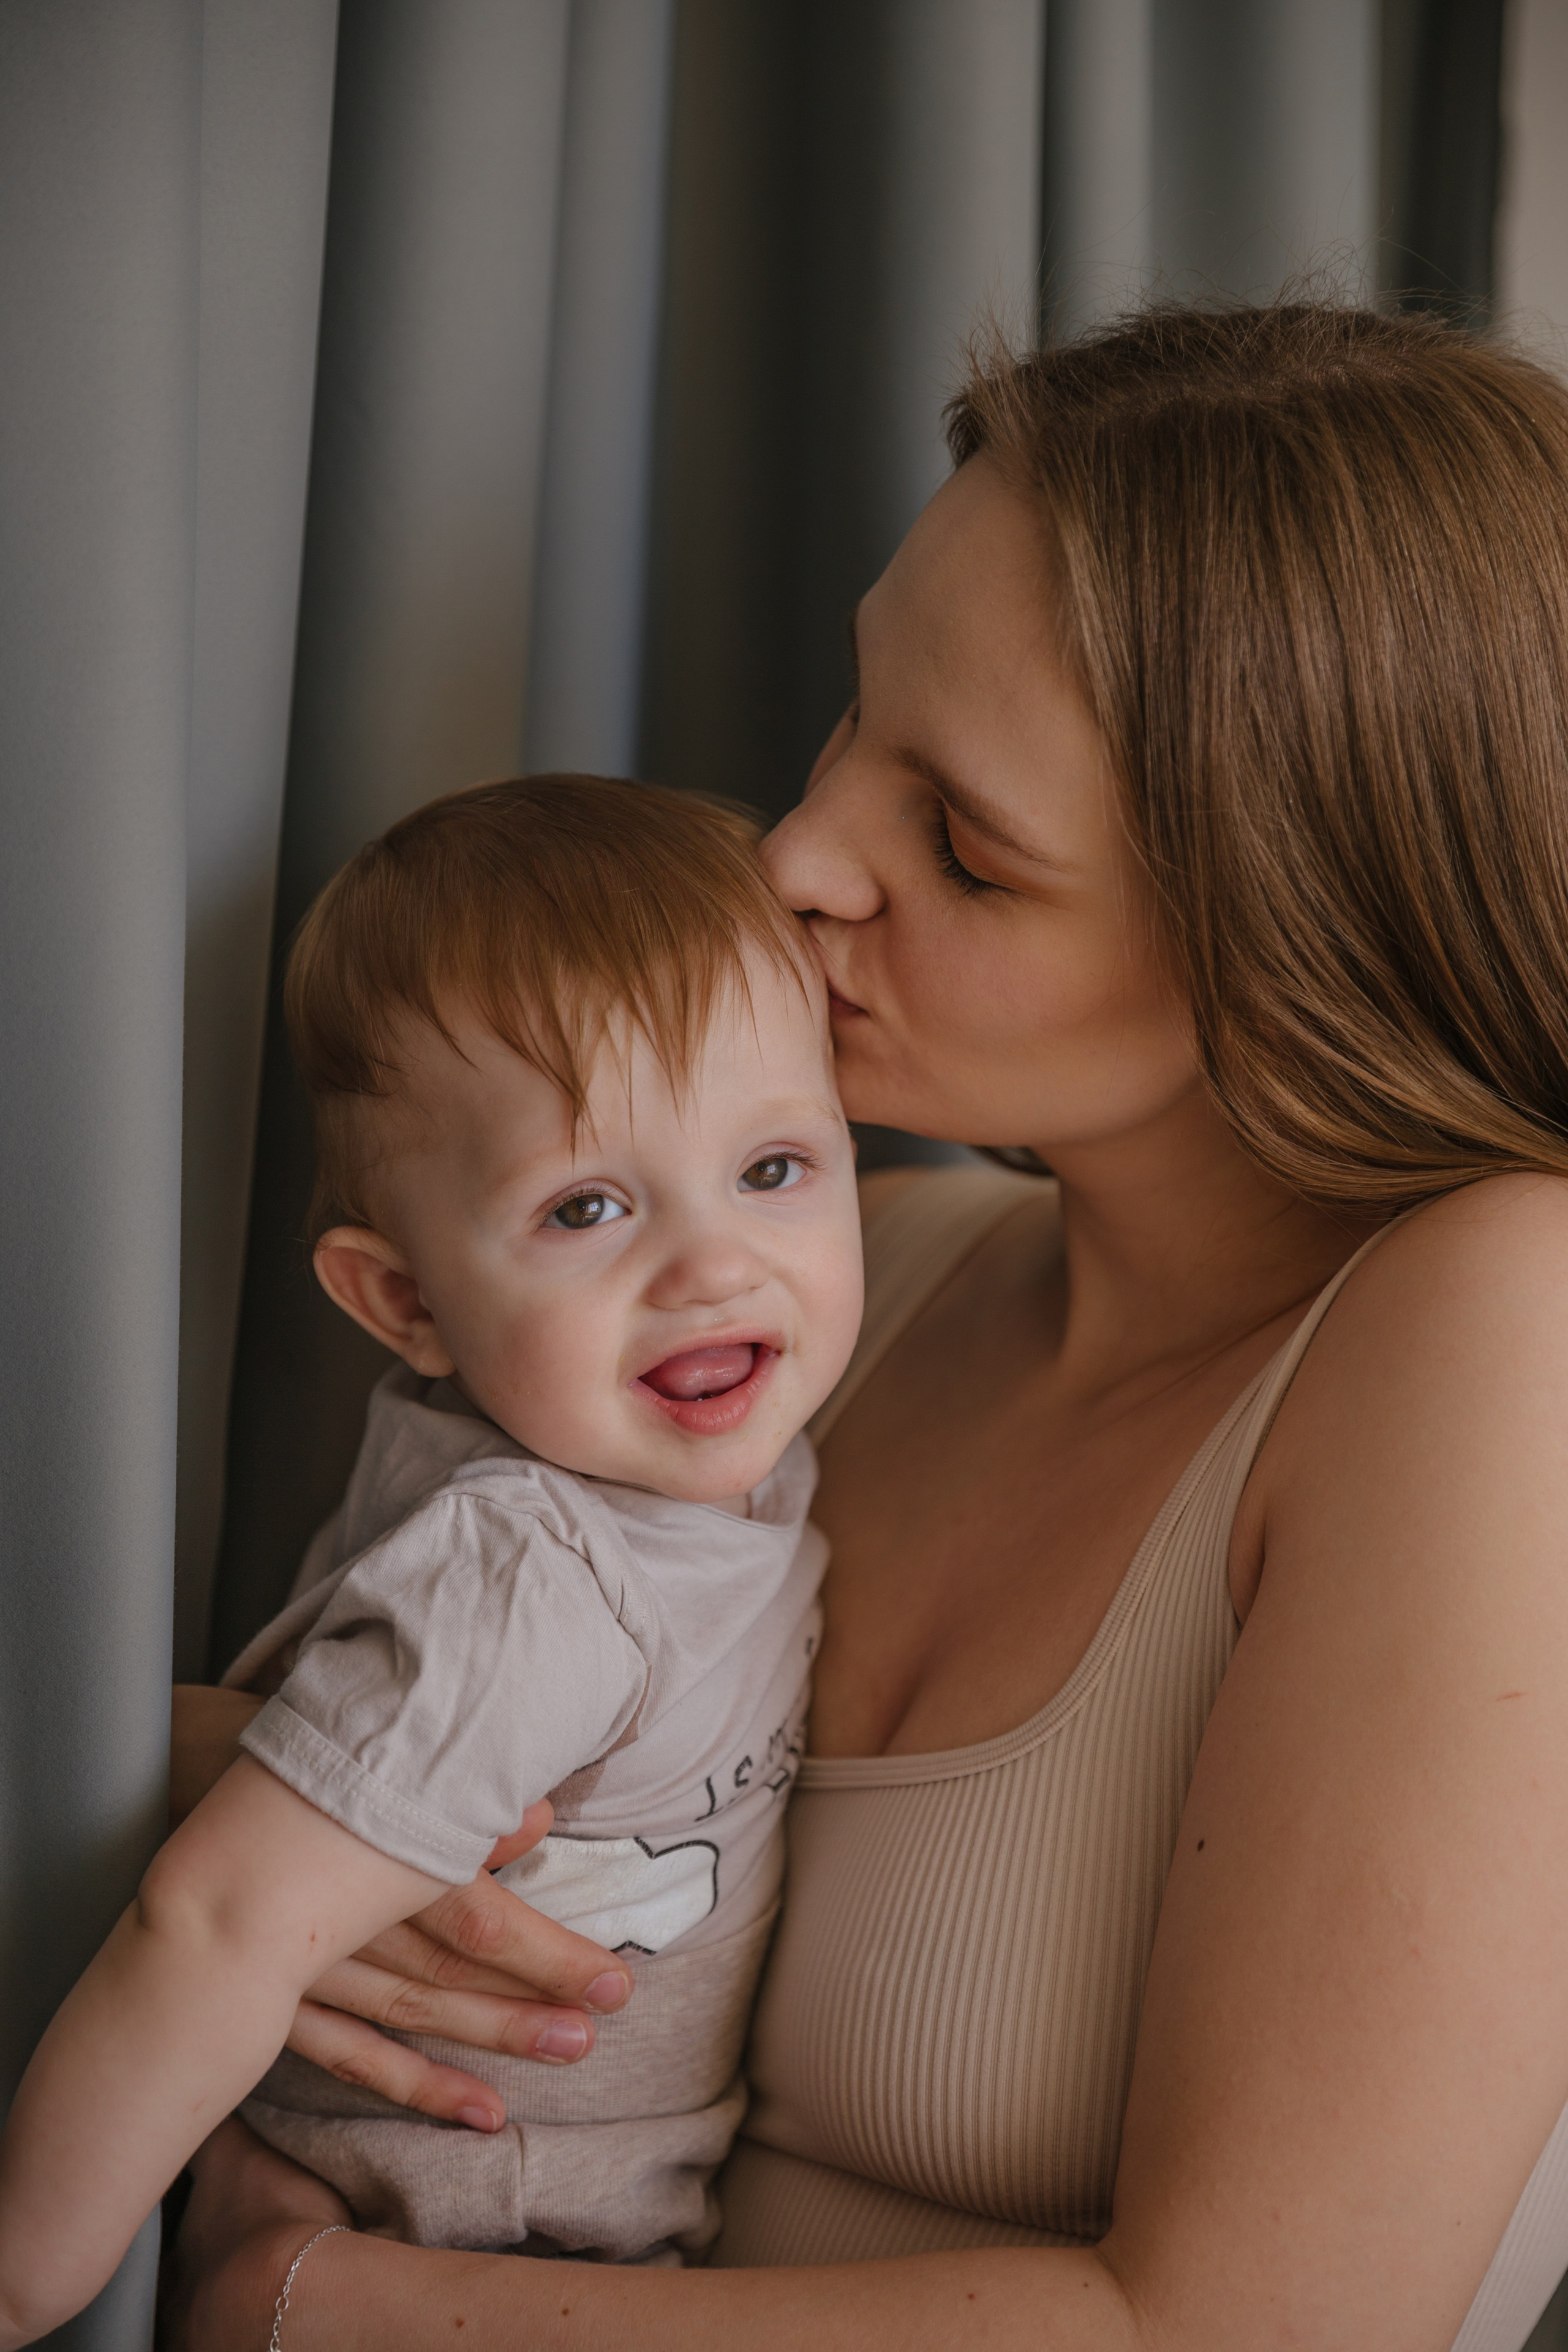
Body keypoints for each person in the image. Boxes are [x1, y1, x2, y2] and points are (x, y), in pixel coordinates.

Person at [168, 299, 1568, 2350]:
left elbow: (1257, 2330)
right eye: (852, 722)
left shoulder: (1507, 1324)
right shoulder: (835, 1295)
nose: (796, 855)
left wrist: (300, 2301)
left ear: (1305, 945)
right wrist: (252, 1791)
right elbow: (431, 1672)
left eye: (965, 849)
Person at [0, 778, 865, 2343]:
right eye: (585, 1207)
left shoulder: (698, 1440)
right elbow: (217, 1920)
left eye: (772, 1169)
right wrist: (24, 2274)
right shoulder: (536, 1576)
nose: (713, 1265)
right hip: (449, 2227)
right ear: (402, 1303)